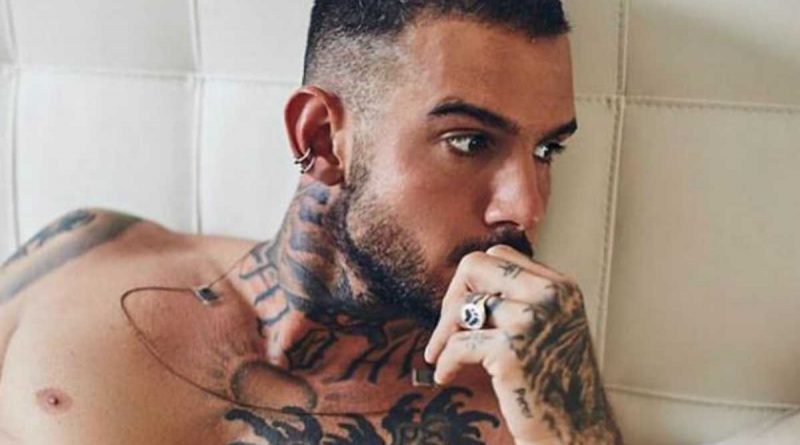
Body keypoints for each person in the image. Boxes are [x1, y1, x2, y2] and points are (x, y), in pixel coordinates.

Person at [0, 1, 624, 443]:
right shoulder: (89, 255)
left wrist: (578, 430)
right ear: (321, 138)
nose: (525, 208)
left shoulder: (523, 410)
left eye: (547, 149)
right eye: (469, 142)